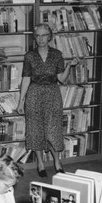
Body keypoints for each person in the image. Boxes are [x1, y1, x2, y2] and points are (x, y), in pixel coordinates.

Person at [17, 23, 79, 177]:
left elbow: (62, 79)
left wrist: (70, 66)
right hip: (34, 93)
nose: (41, 39)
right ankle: (40, 163)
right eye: (38, 35)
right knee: (35, 129)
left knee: (53, 130)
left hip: (52, 94)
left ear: (50, 37)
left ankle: (57, 161)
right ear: (35, 37)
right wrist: (20, 102)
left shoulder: (57, 55)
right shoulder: (29, 56)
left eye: (44, 35)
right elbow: (26, 79)